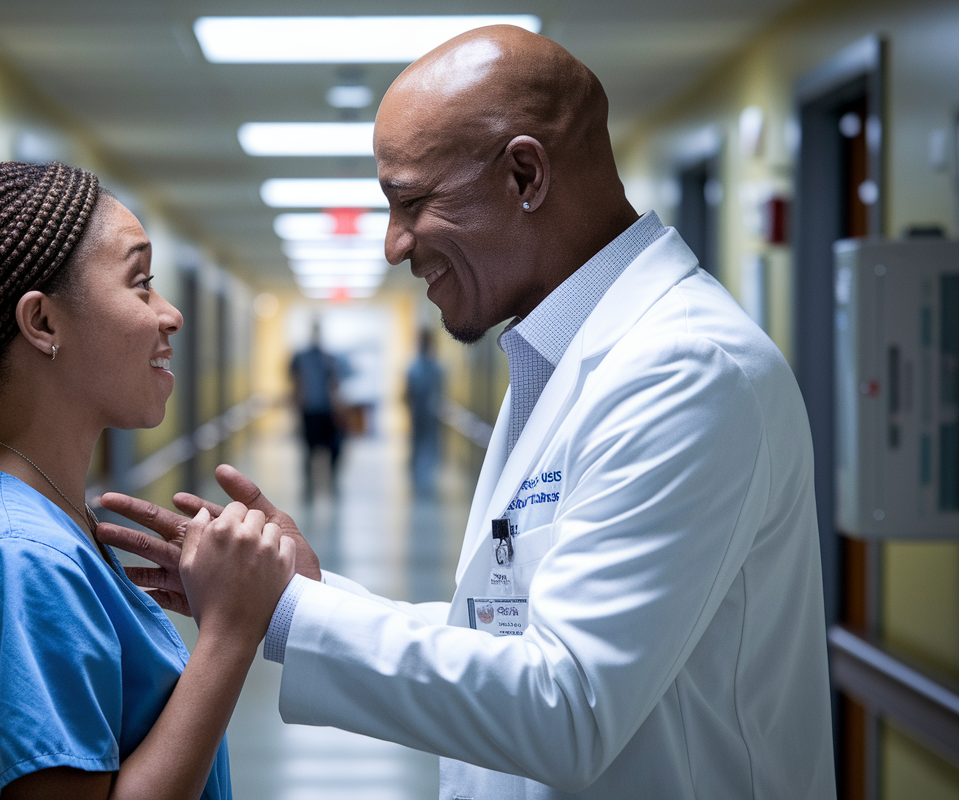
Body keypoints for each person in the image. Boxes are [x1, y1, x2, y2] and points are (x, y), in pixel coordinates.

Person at [100, 26, 836, 800]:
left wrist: (282, 614)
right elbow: (506, 634)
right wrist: (310, 596)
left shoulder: (685, 371)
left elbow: (570, 705)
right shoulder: (561, 356)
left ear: (525, 174)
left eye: (411, 201)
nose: (392, 245)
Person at [0, 162, 294, 800]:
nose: (171, 314)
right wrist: (231, 631)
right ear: (42, 324)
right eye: (142, 284)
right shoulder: (11, 558)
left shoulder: (30, 516)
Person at [289, 320, 343, 499]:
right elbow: (296, 382)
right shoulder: (300, 357)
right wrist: (296, 408)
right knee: (309, 450)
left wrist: (337, 409)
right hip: (309, 411)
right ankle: (309, 486)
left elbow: (334, 385)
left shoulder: (328, 358)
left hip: (326, 411)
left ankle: (331, 481)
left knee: (333, 448)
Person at [405, 328, 445, 491]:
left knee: (429, 444)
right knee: (418, 444)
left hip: (430, 414)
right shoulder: (415, 367)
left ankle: (425, 476)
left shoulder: (436, 368)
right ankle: (417, 476)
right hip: (418, 413)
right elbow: (408, 393)